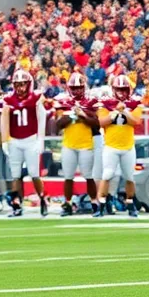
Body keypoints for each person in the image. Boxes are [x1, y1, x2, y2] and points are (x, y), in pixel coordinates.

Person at [2, 69, 48, 216]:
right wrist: (5, 140)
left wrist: (41, 139)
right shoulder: (8, 99)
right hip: (15, 140)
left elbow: (42, 118)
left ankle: (42, 199)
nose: (20, 88)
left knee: (34, 174)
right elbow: (4, 120)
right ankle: (18, 204)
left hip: (30, 139)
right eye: (18, 85)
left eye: (23, 84)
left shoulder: (36, 97)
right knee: (15, 175)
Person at [97, 74, 143, 218]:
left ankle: (130, 204)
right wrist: (115, 112)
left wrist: (125, 112)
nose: (122, 93)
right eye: (119, 89)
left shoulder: (134, 103)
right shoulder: (106, 103)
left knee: (129, 176)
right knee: (107, 174)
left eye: (124, 89)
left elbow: (136, 121)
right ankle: (101, 204)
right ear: (113, 89)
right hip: (111, 146)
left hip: (128, 146)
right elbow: (101, 122)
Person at [55, 72, 101, 215]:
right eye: (74, 88)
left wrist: (83, 115)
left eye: (79, 87)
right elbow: (58, 125)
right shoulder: (64, 102)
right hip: (69, 144)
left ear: (84, 87)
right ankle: (68, 204)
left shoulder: (91, 102)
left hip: (85, 144)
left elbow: (96, 124)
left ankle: (94, 202)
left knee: (88, 176)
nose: (76, 90)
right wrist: (72, 115)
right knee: (68, 176)